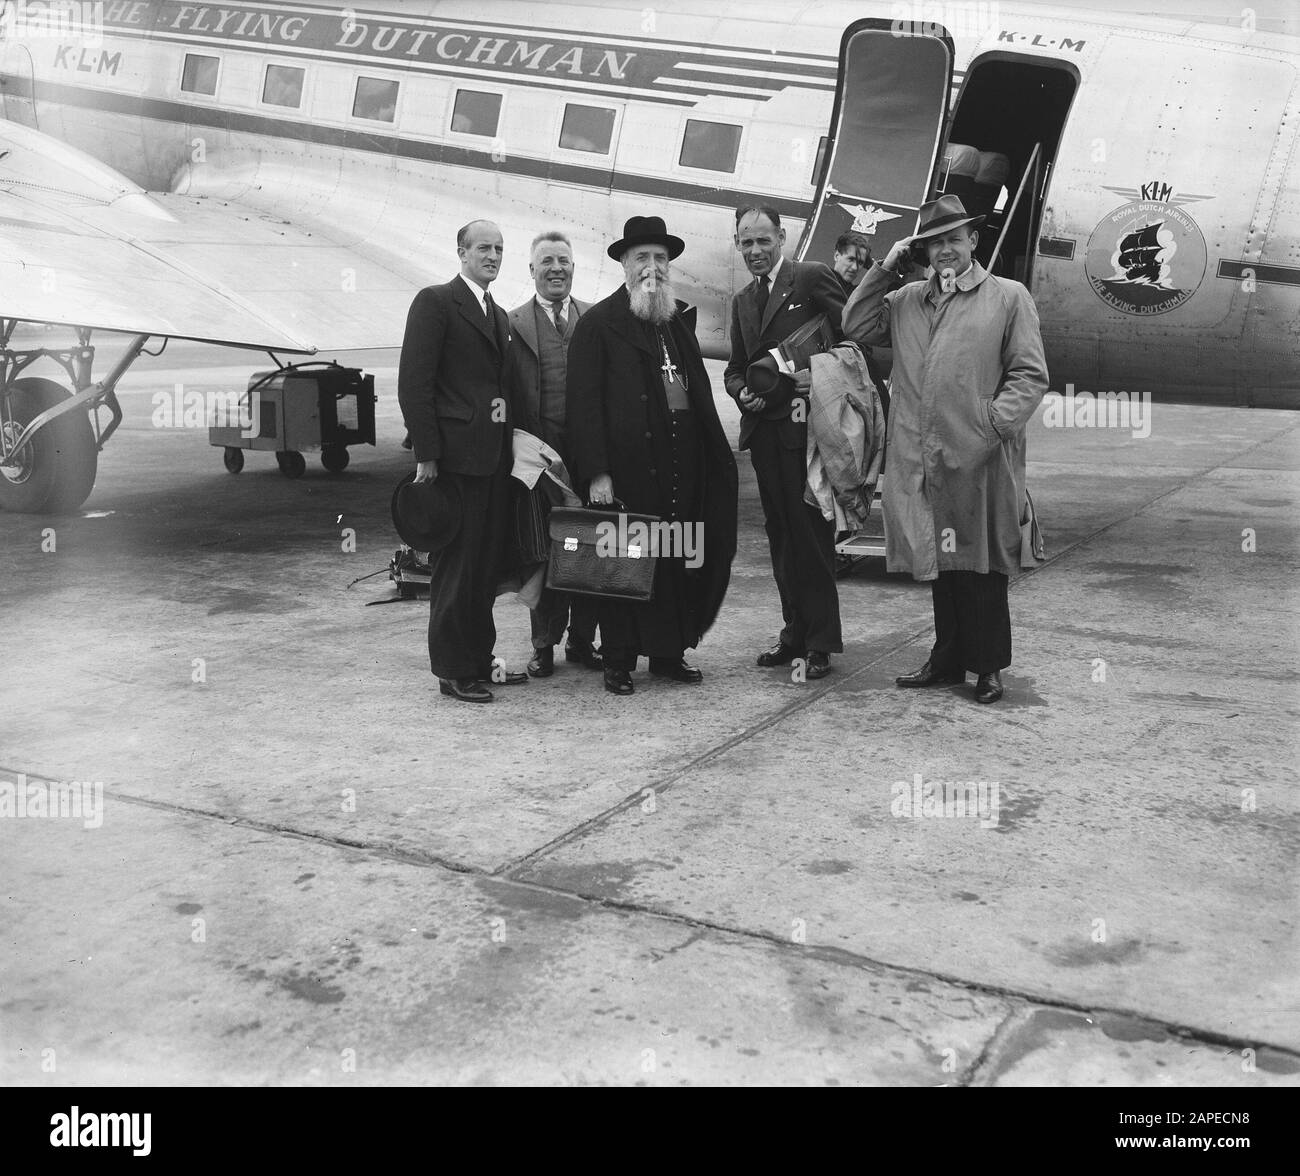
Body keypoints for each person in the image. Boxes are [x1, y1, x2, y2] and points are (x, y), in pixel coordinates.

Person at [843, 194, 1048, 704]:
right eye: (935, 243)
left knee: (983, 565)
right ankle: (947, 659)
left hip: (981, 455)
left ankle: (988, 668)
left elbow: (1029, 374)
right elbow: (856, 325)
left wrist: (990, 425)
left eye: (954, 239)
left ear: (973, 242)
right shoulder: (907, 299)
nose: (945, 251)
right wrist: (887, 267)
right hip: (921, 454)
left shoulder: (1008, 297)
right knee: (940, 561)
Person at [567, 215, 738, 696]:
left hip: (682, 468)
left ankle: (668, 652)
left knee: (676, 559)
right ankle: (618, 659)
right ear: (624, 263)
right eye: (642, 257)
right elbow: (583, 409)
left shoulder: (674, 323)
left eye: (660, 258)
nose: (652, 267)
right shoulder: (598, 325)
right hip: (628, 473)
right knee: (626, 562)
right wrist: (597, 474)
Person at [397, 219, 531, 705]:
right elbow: (414, 382)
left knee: (484, 569)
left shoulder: (495, 313)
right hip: (455, 462)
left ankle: (479, 661)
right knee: (457, 570)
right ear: (461, 252)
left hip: (492, 462)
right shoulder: (435, 302)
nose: (492, 256)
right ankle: (453, 670)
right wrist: (427, 454)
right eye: (482, 248)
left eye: (498, 248)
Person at [723, 204, 846, 680]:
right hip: (767, 437)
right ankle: (793, 632)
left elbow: (854, 340)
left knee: (811, 539)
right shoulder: (741, 302)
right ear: (738, 244)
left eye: (763, 240)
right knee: (780, 539)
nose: (755, 250)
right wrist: (741, 393)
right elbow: (735, 367)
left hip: (808, 432)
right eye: (746, 242)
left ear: (782, 238)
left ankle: (821, 642)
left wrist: (812, 374)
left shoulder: (811, 278)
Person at [508, 230, 602, 679]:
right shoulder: (512, 324)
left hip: (585, 455)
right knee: (542, 552)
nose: (556, 269)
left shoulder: (592, 319)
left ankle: (583, 642)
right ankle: (543, 645)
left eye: (563, 260)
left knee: (588, 548)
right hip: (538, 460)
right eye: (547, 261)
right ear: (532, 271)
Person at [831, 231, 873, 295]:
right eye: (851, 259)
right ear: (837, 256)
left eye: (860, 263)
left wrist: (872, 266)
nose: (855, 268)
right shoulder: (819, 278)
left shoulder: (855, 294)